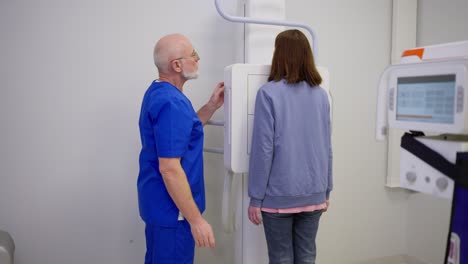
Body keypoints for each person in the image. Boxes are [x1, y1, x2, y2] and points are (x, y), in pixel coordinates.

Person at [137, 33, 224, 264]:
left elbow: (180, 134)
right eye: (193, 55)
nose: (198, 59)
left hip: (160, 207)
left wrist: (211, 106)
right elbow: (169, 168)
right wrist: (196, 220)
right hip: (173, 213)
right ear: (177, 65)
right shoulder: (172, 103)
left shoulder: (159, 92)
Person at [247, 29, 333, 264]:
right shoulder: (322, 95)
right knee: (307, 257)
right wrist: (327, 190)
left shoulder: (268, 93)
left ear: (280, 55)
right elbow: (327, 146)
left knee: (281, 258)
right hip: (314, 191)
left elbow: (263, 150)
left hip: (278, 196)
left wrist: (256, 197)